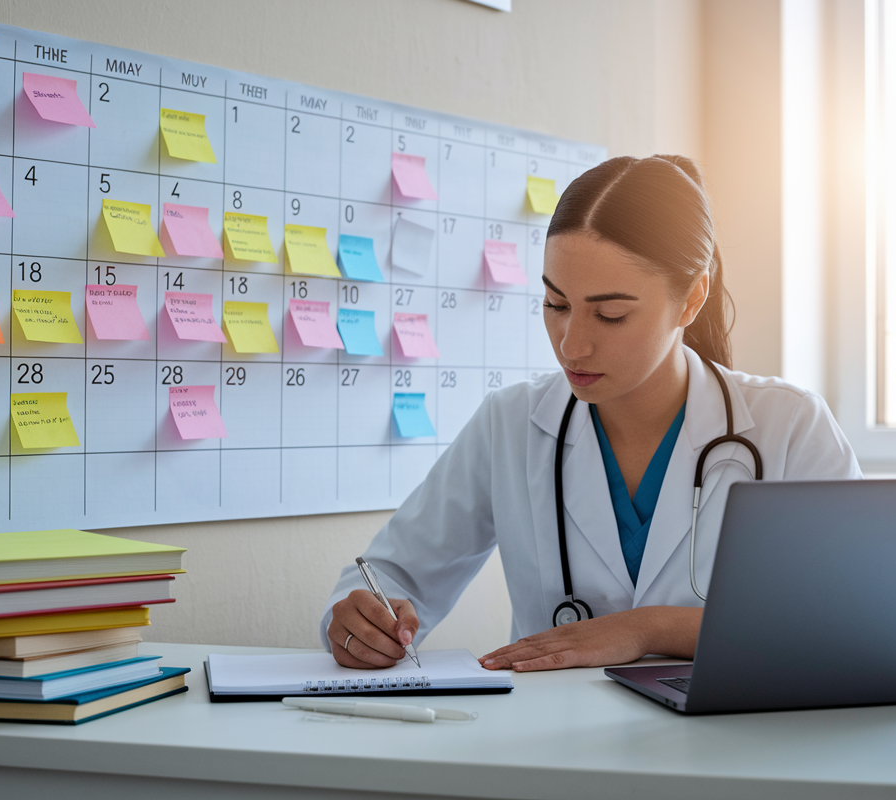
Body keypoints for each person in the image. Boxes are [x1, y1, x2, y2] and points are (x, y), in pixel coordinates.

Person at [320, 155, 862, 673]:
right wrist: (360, 618)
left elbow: (853, 618)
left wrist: (649, 629)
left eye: (610, 315)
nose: (571, 345)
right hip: (553, 750)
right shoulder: (510, 423)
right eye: (556, 305)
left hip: (733, 751)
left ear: (691, 299)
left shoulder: (789, 427)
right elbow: (391, 574)